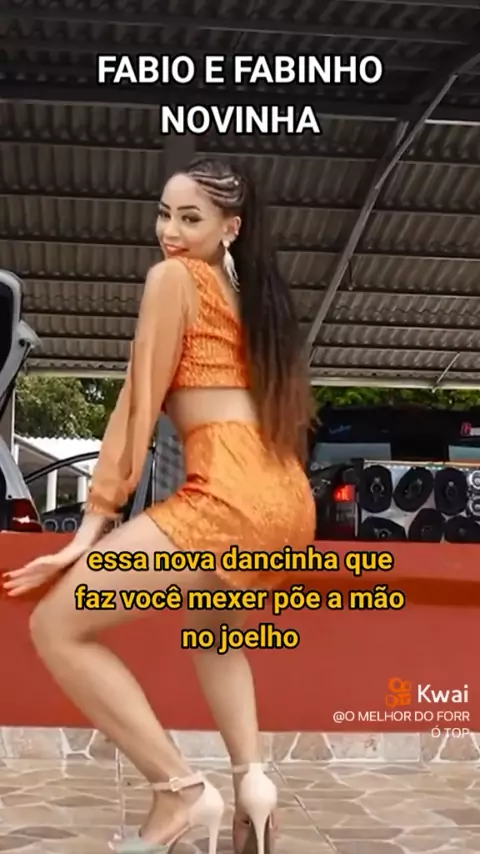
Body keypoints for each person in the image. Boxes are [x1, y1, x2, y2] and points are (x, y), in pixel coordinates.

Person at [3, 157, 316, 854]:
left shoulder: (174, 280)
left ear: (230, 227)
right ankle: (253, 781)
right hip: (288, 501)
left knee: (57, 626)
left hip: (229, 497)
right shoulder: (258, 300)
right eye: (164, 214)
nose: (170, 232)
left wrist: (91, 524)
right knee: (216, 634)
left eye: (190, 218)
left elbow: (137, 403)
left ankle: (179, 792)